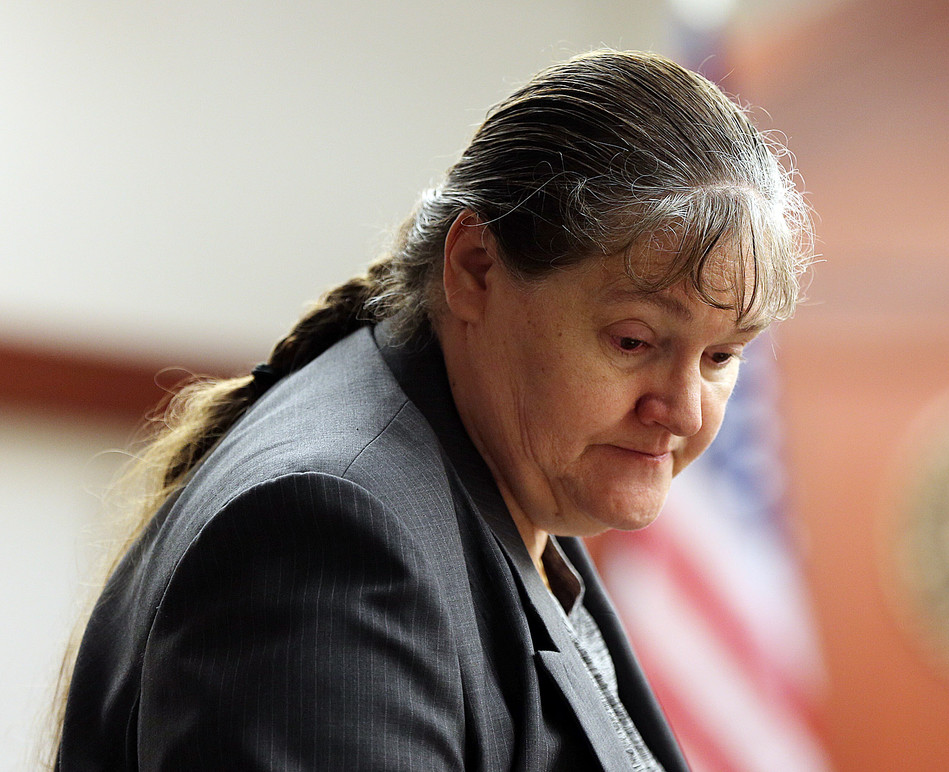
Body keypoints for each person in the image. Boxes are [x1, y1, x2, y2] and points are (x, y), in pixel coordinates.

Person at [54, 49, 812, 770]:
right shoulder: (333, 537)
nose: (683, 412)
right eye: (633, 341)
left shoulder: (508, 475)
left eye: (721, 357)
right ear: (475, 269)